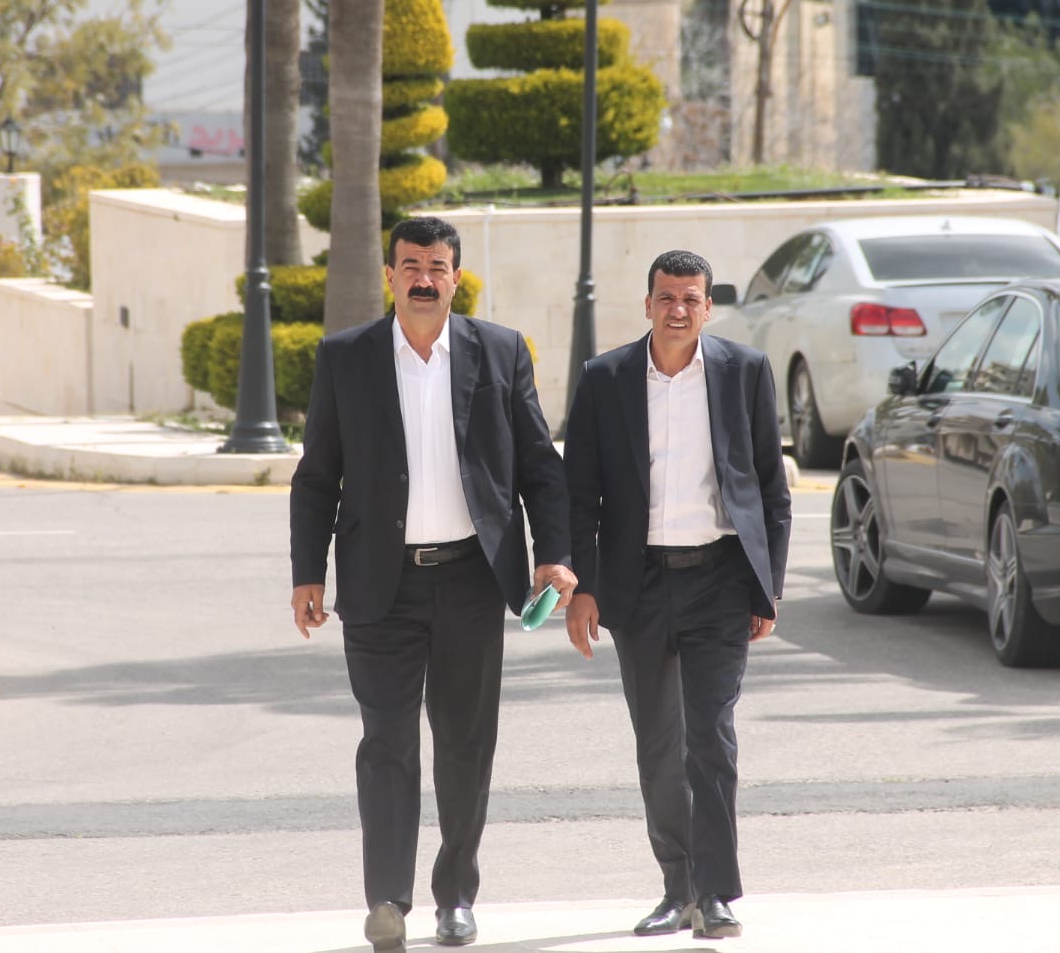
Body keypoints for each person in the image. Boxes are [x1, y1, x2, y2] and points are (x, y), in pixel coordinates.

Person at [290, 215, 577, 953]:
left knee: (464, 745)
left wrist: (555, 555)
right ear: (390, 275)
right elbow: (317, 475)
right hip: (378, 587)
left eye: (437, 267)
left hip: (472, 582)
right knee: (386, 743)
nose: (424, 279)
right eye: (411, 266)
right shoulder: (346, 356)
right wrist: (306, 573)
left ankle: (456, 898)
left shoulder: (501, 351)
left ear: (456, 278)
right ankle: (388, 899)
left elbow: (540, 468)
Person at [561, 249, 791, 941]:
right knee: (658, 745)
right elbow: (580, 494)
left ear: (708, 306)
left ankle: (714, 893)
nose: (678, 310)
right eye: (667, 297)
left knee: (710, 739)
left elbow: (771, 490)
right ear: (648, 303)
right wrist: (584, 588)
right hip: (637, 585)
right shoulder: (605, 378)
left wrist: (768, 589)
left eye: (691, 299)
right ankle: (676, 888)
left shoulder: (744, 371)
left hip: (719, 580)